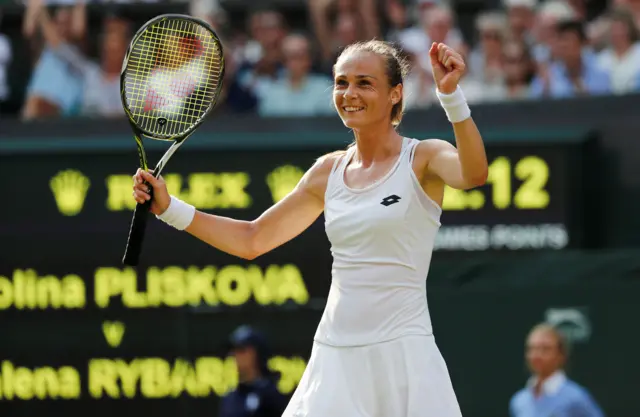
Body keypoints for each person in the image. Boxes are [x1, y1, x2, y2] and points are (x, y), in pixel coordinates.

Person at [132, 39, 489, 416]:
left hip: (403, 353)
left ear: (395, 94)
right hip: (334, 358)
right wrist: (169, 208)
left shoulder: (425, 157)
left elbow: (473, 172)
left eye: (364, 83)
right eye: (341, 82)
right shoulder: (326, 172)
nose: (349, 93)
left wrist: (450, 96)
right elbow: (252, 239)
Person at [509, 323, 605, 417]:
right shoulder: (519, 401)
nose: (537, 355)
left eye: (545, 349)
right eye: (532, 349)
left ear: (561, 355)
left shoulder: (576, 398)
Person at [219, 325, 288, 417]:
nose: (236, 356)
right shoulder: (230, 399)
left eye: (242, 350)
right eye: (234, 351)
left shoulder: (272, 396)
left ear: (257, 353)